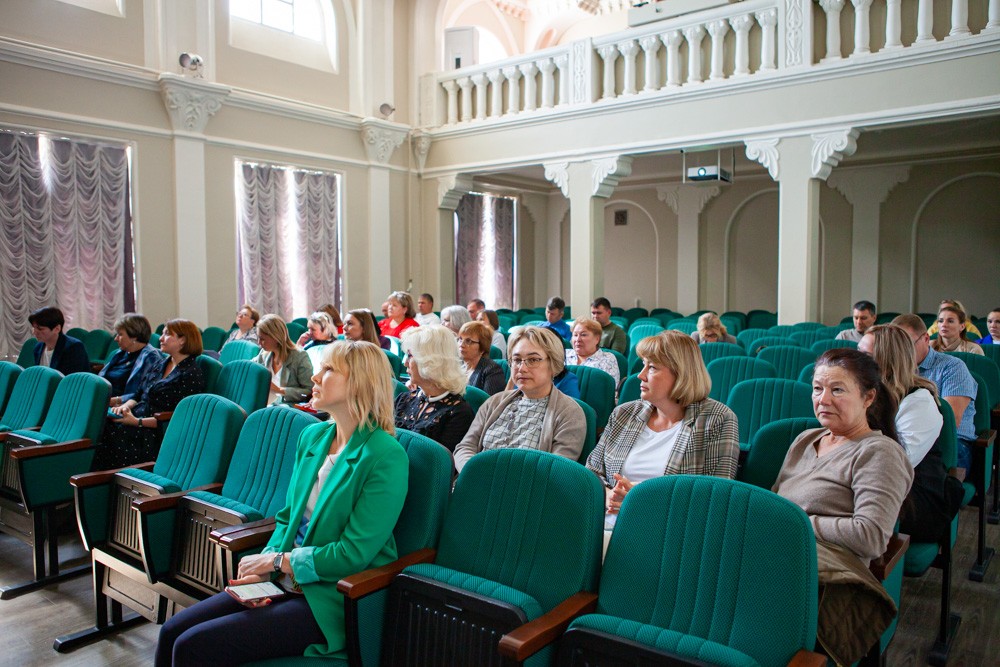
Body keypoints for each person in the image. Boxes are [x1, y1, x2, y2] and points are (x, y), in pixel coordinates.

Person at [155, 340, 408, 666]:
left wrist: (276, 564)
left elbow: (352, 554)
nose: (315, 377)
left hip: (330, 596)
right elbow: (288, 518)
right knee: (172, 631)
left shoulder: (385, 456)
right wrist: (265, 569)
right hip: (284, 579)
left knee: (193, 646)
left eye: (329, 370)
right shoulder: (313, 437)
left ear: (359, 383)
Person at [772, 348, 912, 665]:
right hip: (778, 555)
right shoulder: (806, 439)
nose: (823, 399)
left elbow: (871, 537)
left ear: (868, 398)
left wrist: (798, 523)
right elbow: (773, 502)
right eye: (817, 388)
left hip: (822, 579)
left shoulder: (879, 452)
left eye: (837, 389)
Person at [587, 330, 738, 525]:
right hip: (607, 522)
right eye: (643, 365)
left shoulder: (717, 418)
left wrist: (643, 497)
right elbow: (592, 471)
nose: (640, 376)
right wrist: (607, 494)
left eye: (652, 368)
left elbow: (718, 493)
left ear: (681, 374)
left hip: (670, 530)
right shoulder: (624, 413)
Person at [859, 324, 962, 542]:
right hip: (865, 480)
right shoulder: (861, 393)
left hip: (912, 494)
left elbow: (897, 462)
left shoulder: (919, 400)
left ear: (887, 360)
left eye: (864, 355)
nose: (854, 361)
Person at [453, 326, 585, 473]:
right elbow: (465, 447)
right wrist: (475, 473)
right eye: (516, 360)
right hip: (478, 483)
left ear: (553, 363)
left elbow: (555, 470)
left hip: (526, 492)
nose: (522, 368)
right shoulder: (494, 402)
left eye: (533, 359)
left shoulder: (570, 413)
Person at [96, 319, 205, 470]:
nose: (160, 338)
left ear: (182, 340)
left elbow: (178, 417)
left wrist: (137, 422)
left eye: (167, 334)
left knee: (108, 436)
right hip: (137, 416)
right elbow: (139, 392)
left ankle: (108, 486)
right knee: (101, 425)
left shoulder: (190, 373)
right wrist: (125, 407)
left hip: (156, 431)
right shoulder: (162, 363)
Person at [893, 314, 978, 471]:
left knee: (905, 471)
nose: (902, 351)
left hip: (952, 443)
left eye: (907, 343)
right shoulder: (892, 369)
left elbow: (951, 420)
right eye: (897, 344)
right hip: (906, 436)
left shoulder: (952, 368)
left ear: (926, 338)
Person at [394, 325, 474, 453]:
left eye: (410, 356)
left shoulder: (458, 413)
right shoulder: (403, 399)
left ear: (430, 361)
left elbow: (441, 466)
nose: (405, 363)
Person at [101, 313, 164, 406]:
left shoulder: (151, 358)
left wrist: (111, 401)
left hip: (124, 408)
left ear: (134, 335)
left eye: (120, 334)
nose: (115, 339)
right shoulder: (120, 353)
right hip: (105, 402)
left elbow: (143, 393)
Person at [253, 314, 314, 405]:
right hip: (264, 406)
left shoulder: (300, 356)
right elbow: (248, 368)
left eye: (262, 339)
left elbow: (309, 391)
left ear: (276, 337)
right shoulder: (263, 354)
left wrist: (279, 390)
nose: (259, 342)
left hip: (286, 409)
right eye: (258, 338)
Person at [28, 306, 90, 375]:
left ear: (57, 329)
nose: (34, 333)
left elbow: (73, 379)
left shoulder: (73, 347)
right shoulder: (38, 347)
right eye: (34, 328)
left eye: (40, 329)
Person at [565, 317, 620, 386]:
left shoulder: (607, 359)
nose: (578, 339)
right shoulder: (563, 354)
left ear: (597, 339)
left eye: (583, 335)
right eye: (575, 335)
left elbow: (609, 390)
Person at [459, 321, 505, 395]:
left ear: (482, 347)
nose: (461, 344)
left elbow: (489, 403)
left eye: (468, 341)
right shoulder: (456, 366)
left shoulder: (492, 370)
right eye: (460, 339)